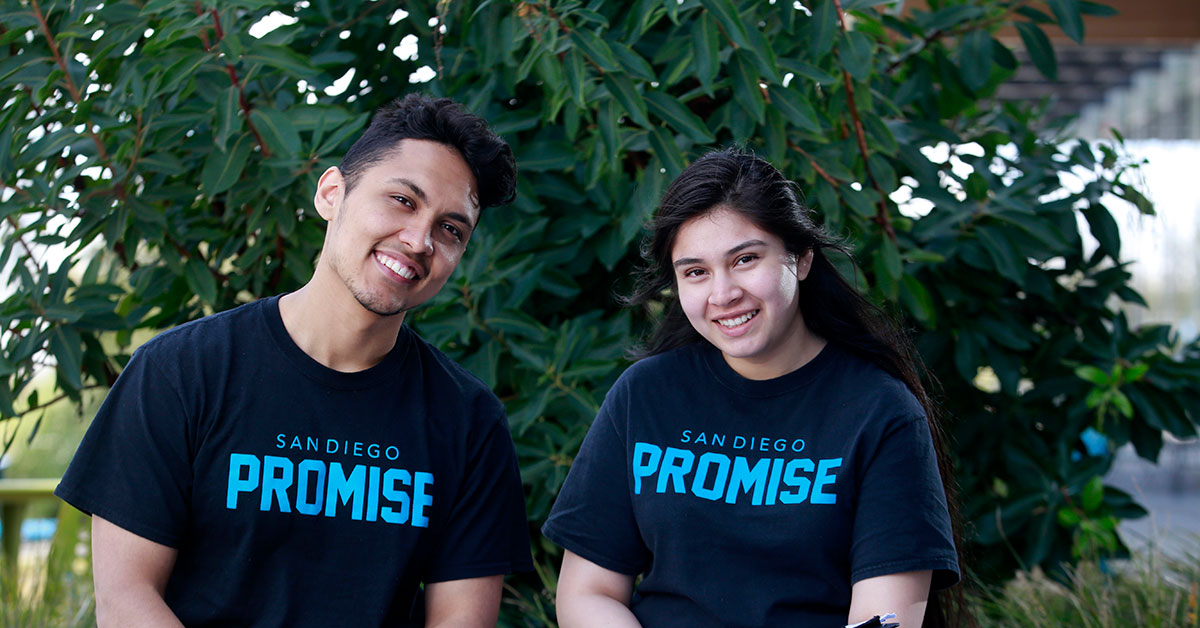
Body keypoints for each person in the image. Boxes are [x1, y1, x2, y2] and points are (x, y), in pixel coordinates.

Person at [55, 94, 533, 627]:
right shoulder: (180, 373)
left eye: (451, 229)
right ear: (332, 193)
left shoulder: (468, 421)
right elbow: (126, 600)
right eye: (402, 200)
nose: (419, 239)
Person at [542, 148, 965, 628]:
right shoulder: (646, 395)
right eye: (696, 272)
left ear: (801, 258)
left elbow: (885, 620)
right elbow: (587, 593)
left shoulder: (880, 411)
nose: (722, 294)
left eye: (744, 259)